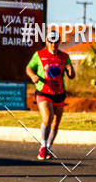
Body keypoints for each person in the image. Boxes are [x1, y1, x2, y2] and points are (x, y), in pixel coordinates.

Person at [25, 27, 74, 160]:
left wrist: (70, 70)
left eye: (56, 42)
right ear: (46, 41)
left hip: (59, 92)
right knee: (48, 117)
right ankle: (43, 146)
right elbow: (29, 68)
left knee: (56, 122)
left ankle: (48, 148)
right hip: (43, 91)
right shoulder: (39, 55)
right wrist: (33, 76)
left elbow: (71, 74)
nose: (53, 45)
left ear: (59, 42)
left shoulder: (65, 57)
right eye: (51, 42)